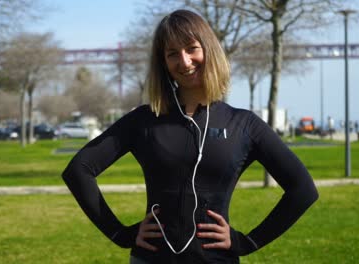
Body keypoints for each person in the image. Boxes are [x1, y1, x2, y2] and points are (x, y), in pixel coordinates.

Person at [62, 9, 318, 264]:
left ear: (209, 50)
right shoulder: (144, 120)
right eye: (172, 54)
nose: (184, 62)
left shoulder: (243, 124)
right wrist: (119, 233)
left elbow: (303, 189)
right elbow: (79, 170)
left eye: (191, 48)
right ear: (163, 63)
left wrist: (247, 242)